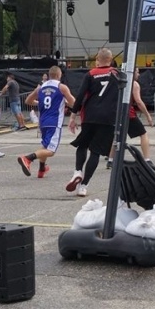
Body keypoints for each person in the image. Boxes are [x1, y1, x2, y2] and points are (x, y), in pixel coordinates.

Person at [66, 48, 119, 197]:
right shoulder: (117, 74)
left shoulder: (90, 74)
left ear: (97, 59)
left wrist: (73, 115)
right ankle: (84, 185)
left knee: (83, 144)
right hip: (109, 118)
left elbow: (81, 95)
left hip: (90, 115)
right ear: (111, 60)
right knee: (95, 152)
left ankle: (78, 171)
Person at [17, 66, 75, 179]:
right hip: (54, 122)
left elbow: (28, 101)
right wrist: (67, 103)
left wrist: (40, 102)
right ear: (59, 75)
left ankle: (42, 169)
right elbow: (74, 103)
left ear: (49, 75)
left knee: (45, 145)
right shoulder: (61, 87)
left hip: (43, 121)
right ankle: (28, 158)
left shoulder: (41, 87)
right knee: (51, 151)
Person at [106, 67, 155, 171]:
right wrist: (148, 115)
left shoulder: (117, 82)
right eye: (138, 72)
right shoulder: (133, 84)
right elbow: (138, 101)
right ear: (132, 72)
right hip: (127, 114)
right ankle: (147, 160)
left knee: (117, 136)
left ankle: (111, 160)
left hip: (115, 113)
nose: (139, 75)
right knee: (143, 134)